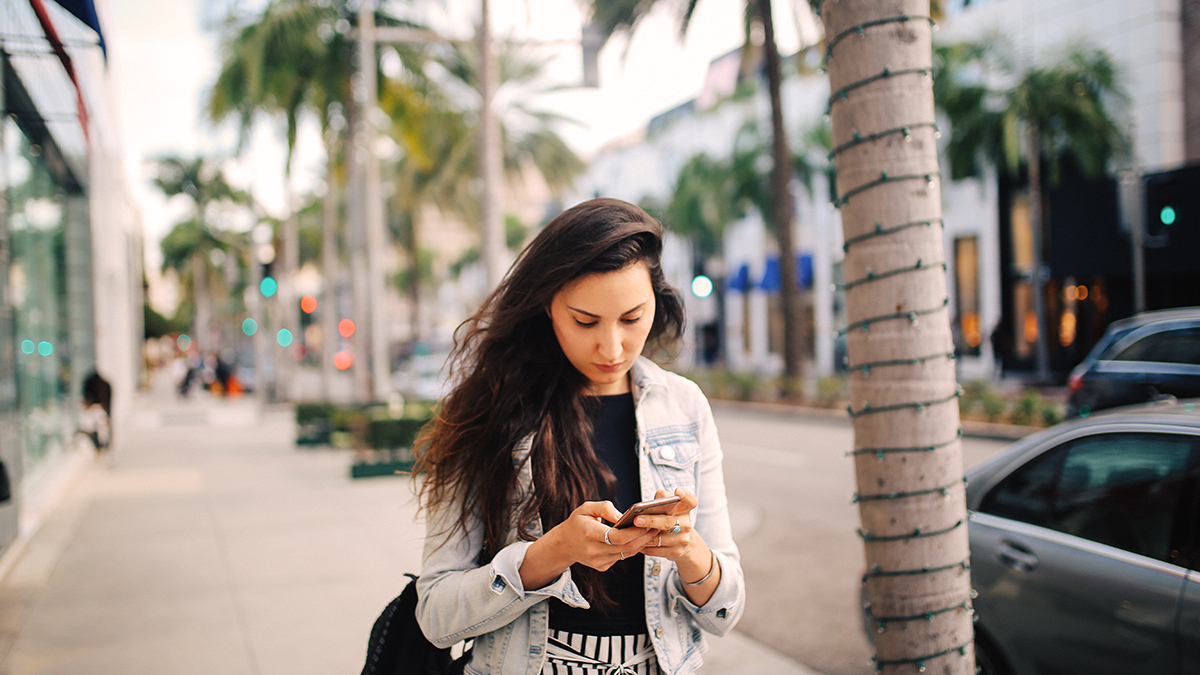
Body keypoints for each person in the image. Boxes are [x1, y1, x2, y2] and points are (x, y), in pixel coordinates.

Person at [414, 198, 745, 675]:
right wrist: (552, 554)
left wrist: (689, 550)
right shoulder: (489, 412)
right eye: (585, 321)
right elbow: (436, 614)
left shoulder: (685, 406)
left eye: (632, 318)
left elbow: (726, 611)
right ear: (548, 306)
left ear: (657, 300)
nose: (612, 348)